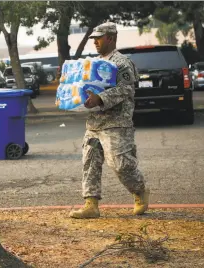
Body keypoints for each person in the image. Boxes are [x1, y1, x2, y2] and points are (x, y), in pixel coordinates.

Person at [69, 22, 150, 219]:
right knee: (90, 162)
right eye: (94, 38)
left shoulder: (121, 62)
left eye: (99, 38)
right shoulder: (95, 63)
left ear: (111, 38)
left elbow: (126, 89)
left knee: (120, 164)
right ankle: (91, 204)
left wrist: (101, 98)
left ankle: (140, 192)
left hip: (117, 123)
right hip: (95, 122)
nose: (95, 42)